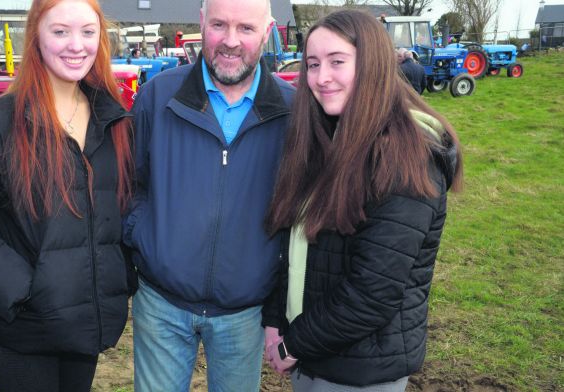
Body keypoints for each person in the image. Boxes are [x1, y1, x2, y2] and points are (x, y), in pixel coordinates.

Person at [0, 0, 135, 390]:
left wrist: (119, 273)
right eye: (60, 31)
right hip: (21, 329)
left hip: (83, 325)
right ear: (36, 36)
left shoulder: (115, 122)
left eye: (88, 32)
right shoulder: (0, 123)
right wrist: (25, 289)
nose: (76, 45)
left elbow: (121, 211)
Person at [261, 10, 463, 391]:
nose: (322, 78)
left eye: (338, 62)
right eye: (313, 64)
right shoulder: (326, 137)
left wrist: (294, 343)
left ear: (372, 64)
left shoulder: (406, 156)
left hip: (360, 370)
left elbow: (373, 291)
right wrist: (277, 319)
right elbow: (294, 242)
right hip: (314, 354)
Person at [122, 0, 295, 390]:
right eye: (219, 25)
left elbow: (298, 213)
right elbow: (128, 185)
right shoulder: (157, 96)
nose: (231, 41)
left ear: (267, 32)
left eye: (246, 29)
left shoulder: (293, 112)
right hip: (161, 303)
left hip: (244, 311)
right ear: (201, 23)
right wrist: (144, 237)